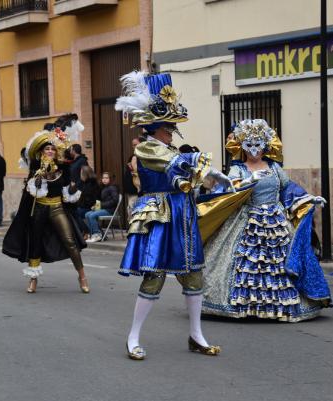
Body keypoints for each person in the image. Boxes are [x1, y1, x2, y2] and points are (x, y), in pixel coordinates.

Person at [115, 71, 235, 360]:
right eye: (168, 127)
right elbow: (178, 163)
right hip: (161, 218)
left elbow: (184, 169)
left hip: (183, 217)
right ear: (155, 127)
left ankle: (196, 335)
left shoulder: (165, 147)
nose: (172, 132)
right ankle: (133, 337)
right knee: (154, 278)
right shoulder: (147, 148)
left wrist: (213, 181)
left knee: (193, 277)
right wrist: (214, 172)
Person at [202, 119, 332, 322]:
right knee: (247, 262)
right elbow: (229, 191)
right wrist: (249, 180)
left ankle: (282, 306)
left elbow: (288, 189)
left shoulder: (274, 168)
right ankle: (246, 305)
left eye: (258, 145)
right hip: (248, 220)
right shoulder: (238, 169)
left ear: (265, 146)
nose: (254, 151)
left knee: (280, 263)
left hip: (276, 221)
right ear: (242, 146)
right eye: (250, 146)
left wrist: (309, 199)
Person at [2, 114, 89, 294]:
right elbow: (29, 186)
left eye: (52, 149)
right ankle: (33, 279)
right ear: (42, 151)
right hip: (39, 208)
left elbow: (68, 191)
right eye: (47, 149)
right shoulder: (35, 168)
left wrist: (72, 189)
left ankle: (82, 276)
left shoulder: (63, 169)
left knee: (69, 241)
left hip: (57, 207)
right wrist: (35, 182)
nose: (50, 151)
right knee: (35, 242)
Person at [85, 172, 119, 242]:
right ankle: (96, 234)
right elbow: (101, 202)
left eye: (106, 178)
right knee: (87, 214)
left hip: (110, 210)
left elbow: (115, 201)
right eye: (103, 178)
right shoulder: (104, 187)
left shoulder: (112, 188)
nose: (104, 179)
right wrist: (96, 207)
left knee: (92, 216)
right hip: (104, 209)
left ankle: (97, 235)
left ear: (110, 179)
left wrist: (101, 205)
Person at [123, 137, 146, 222]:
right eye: (133, 145)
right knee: (131, 210)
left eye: (135, 144)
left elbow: (137, 174)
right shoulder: (133, 156)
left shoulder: (140, 157)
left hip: (137, 191)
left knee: (135, 211)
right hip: (131, 191)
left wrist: (138, 188)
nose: (134, 147)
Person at [74, 165, 100, 237]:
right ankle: (83, 231)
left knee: (74, 213)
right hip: (86, 205)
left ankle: (86, 230)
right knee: (73, 211)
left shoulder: (91, 184)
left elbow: (90, 199)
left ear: (84, 174)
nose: (80, 175)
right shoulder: (86, 183)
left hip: (91, 207)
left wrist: (79, 204)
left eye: (81, 173)